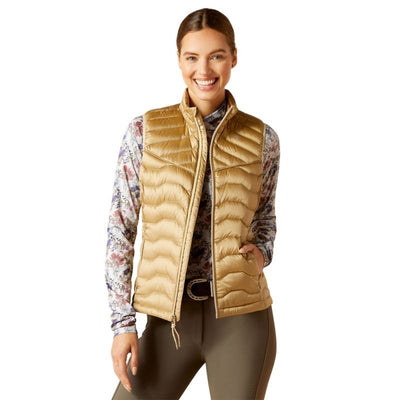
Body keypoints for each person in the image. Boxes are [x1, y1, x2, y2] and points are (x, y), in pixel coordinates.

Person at [105, 8, 280, 400]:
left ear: (233, 57)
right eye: (192, 57)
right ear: (179, 60)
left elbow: (265, 215)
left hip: (242, 318)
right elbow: (121, 230)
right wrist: (122, 323)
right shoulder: (145, 132)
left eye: (216, 56)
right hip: (169, 322)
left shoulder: (263, 139)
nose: (204, 70)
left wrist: (262, 252)